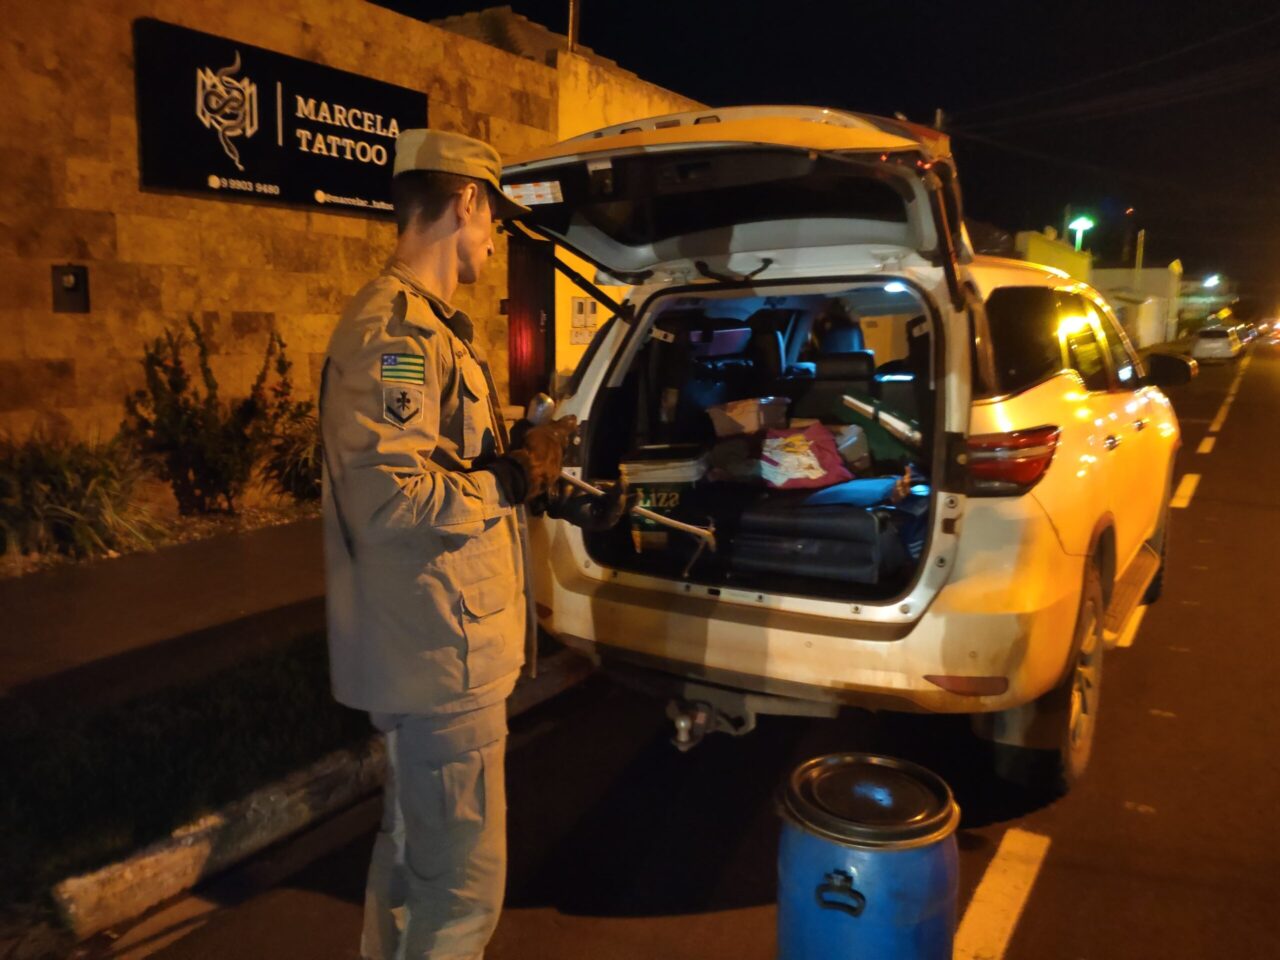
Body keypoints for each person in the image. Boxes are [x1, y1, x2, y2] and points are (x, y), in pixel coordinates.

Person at [319, 127, 578, 960]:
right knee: (461, 897)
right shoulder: (398, 333)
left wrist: (518, 458)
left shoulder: (425, 328)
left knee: (409, 867)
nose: (493, 238)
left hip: (436, 646)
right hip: (442, 656)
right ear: (465, 201)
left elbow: (426, 461)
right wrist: (507, 479)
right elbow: (392, 497)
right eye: (492, 217)